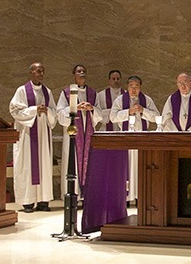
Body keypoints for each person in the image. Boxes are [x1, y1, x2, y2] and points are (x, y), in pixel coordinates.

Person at [9, 63, 57, 213]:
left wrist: (47, 110)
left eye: (43, 71)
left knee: (43, 164)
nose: (41, 73)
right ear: (31, 73)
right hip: (28, 133)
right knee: (27, 165)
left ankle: (43, 200)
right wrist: (34, 109)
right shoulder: (22, 91)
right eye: (38, 71)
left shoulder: (47, 91)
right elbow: (14, 110)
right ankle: (27, 201)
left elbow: (54, 112)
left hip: (43, 133)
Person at [110, 75, 160, 203]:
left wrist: (143, 110)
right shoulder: (120, 100)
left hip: (142, 138)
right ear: (127, 87)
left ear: (140, 87)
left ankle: (140, 197)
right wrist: (128, 112)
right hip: (126, 139)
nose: (133, 89)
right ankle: (126, 198)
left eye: (136, 86)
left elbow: (156, 117)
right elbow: (113, 117)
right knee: (127, 168)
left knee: (141, 167)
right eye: (131, 86)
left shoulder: (146, 100)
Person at [56, 65, 102, 196]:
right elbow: (59, 114)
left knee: (89, 163)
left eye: (83, 71)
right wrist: (75, 107)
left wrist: (91, 108)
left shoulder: (93, 93)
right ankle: (73, 194)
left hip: (88, 134)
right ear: (74, 75)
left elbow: (100, 114)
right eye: (79, 71)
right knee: (73, 161)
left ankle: (87, 194)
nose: (81, 73)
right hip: (73, 135)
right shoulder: (66, 93)